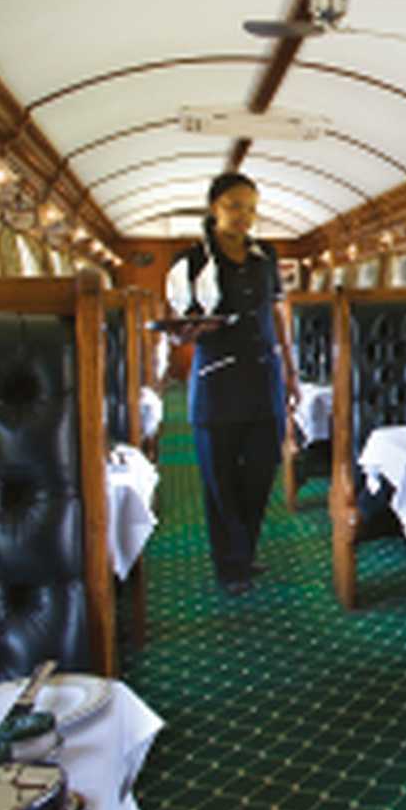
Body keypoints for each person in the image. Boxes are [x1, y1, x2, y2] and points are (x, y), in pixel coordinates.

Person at [164, 171, 299, 595]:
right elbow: (177, 326)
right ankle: (230, 565)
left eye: (252, 208)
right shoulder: (191, 261)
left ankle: (244, 551)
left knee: (260, 474)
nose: (245, 216)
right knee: (219, 479)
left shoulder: (266, 257)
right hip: (215, 382)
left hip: (263, 379)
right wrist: (187, 332)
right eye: (235, 206)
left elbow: (276, 312)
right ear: (213, 207)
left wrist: (290, 370)